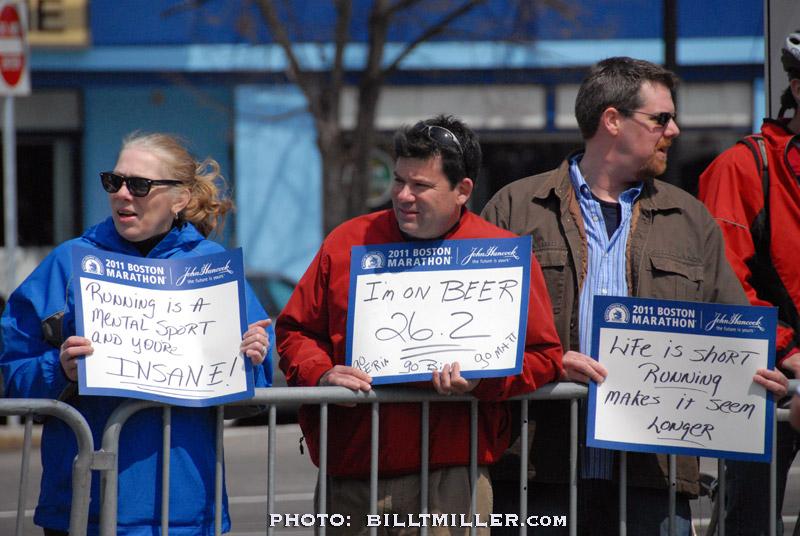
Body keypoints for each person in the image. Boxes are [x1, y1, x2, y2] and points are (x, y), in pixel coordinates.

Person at [480, 56, 790, 535]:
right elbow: (482, 336)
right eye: (660, 118)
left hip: (653, 480)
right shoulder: (515, 208)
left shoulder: (691, 220)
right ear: (612, 120)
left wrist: (756, 371)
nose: (675, 130)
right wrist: (547, 364)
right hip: (536, 471)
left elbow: (735, 327)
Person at [275, 114, 563, 535]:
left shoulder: (500, 255)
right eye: (398, 181)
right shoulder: (346, 242)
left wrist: (483, 383)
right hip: (354, 472)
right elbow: (296, 331)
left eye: (421, 186)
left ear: (462, 190)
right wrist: (321, 373)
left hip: (452, 478)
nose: (403, 195)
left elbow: (543, 356)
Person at [0, 132, 275, 536]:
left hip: (185, 510)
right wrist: (58, 370)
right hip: (81, 507)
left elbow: (253, 392)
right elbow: (11, 378)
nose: (123, 194)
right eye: (115, 181)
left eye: (140, 185)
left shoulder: (212, 268)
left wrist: (253, 356)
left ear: (180, 198)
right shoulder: (68, 263)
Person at [697, 30, 800, 536]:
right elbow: (720, 278)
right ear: (797, 88)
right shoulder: (744, 165)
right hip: (763, 378)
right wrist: (784, 348)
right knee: (749, 524)